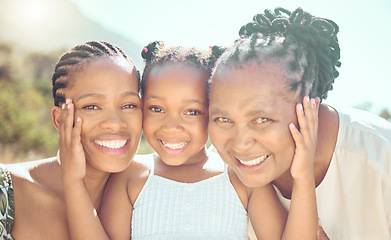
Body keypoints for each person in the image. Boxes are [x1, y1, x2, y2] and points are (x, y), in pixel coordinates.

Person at [61, 40, 321, 240]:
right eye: (157, 109)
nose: (172, 126)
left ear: (214, 113)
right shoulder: (130, 178)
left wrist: (303, 178)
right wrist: (73, 182)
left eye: (192, 112)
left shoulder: (240, 179)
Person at [208, 7, 391, 239]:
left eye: (262, 119)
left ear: (309, 107)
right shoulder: (216, 173)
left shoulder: (381, 155)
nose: (240, 143)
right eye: (223, 119)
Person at [0, 40, 142, 240]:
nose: (115, 124)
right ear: (59, 119)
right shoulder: (5, 192)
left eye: (129, 105)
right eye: (92, 106)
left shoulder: (149, 198)